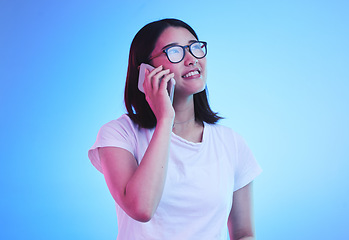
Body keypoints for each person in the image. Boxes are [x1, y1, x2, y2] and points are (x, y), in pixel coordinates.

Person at [88, 18, 262, 240]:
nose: (191, 59)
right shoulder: (119, 134)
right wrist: (165, 119)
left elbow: (243, 234)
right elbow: (141, 208)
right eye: (174, 52)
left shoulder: (231, 142)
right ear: (145, 71)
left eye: (195, 48)